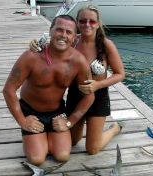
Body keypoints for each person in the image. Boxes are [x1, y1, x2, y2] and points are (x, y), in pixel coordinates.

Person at [30, 5, 125, 155]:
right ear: (77, 22)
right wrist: (36, 45)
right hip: (75, 96)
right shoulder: (72, 42)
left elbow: (120, 74)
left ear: (98, 24)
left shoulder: (106, 45)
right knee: (73, 142)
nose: (87, 24)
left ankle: (114, 129)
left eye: (92, 21)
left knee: (92, 149)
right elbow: (50, 49)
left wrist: (98, 84)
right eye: (83, 21)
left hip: (98, 98)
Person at [3, 15, 94, 166]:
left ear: (74, 38)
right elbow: (8, 90)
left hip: (56, 112)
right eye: (59, 30)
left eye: (68, 32)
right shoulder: (31, 56)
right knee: (37, 159)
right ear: (50, 31)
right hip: (31, 111)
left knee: (62, 155)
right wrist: (22, 121)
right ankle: (37, 139)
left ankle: (46, 137)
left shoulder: (78, 61)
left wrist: (69, 123)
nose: (63, 35)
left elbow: (89, 97)